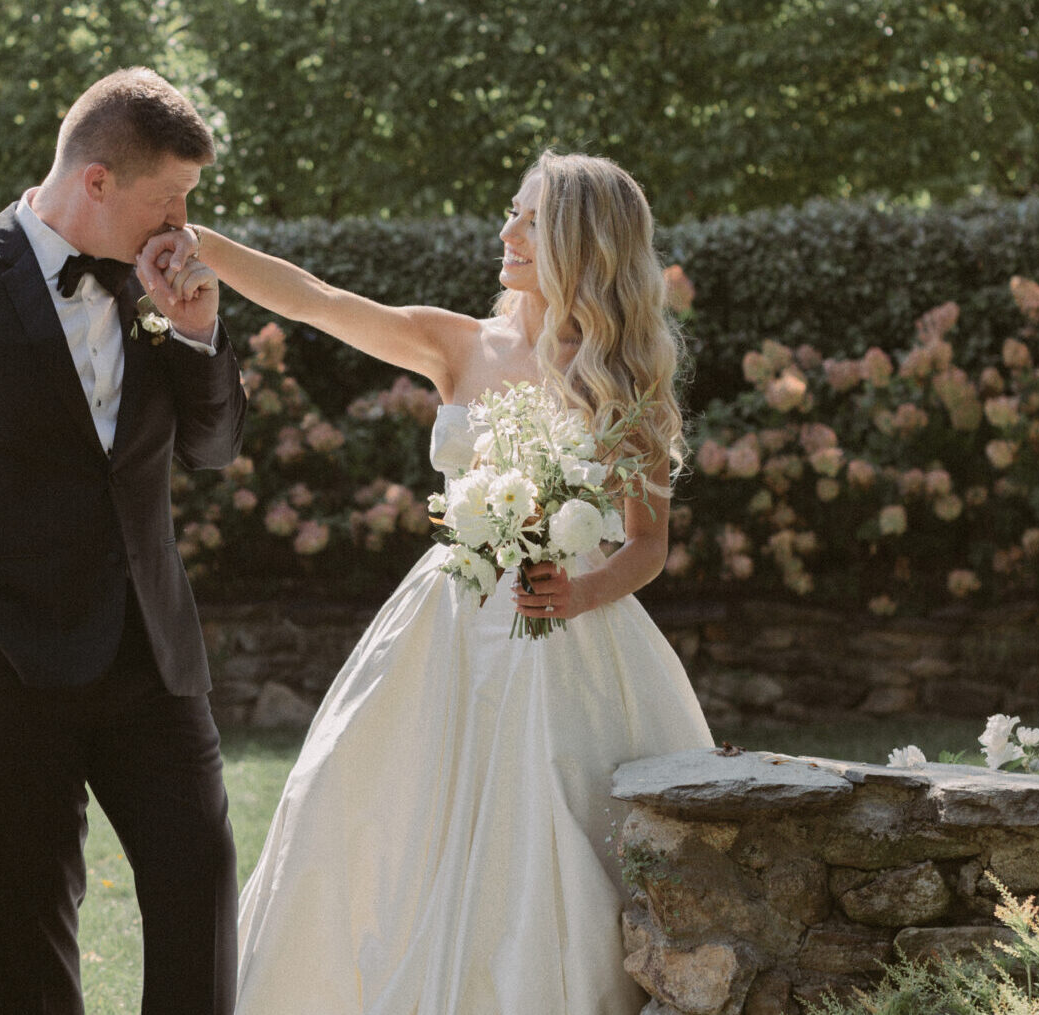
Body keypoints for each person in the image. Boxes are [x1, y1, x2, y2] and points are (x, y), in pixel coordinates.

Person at [139, 150, 715, 1013]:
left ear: (576, 242)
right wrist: (200, 243)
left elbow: (646, 544)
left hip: (569, 644)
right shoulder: (459, 344)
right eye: (511, 211)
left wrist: (579, 592)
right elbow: (319, 301)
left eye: (528, 218)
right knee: (358, 807)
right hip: (440, 629)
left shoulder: (618, 377)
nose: (507, 230)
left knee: (544, 844)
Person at [0, 67, 247, 1015]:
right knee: (35, 922)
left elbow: (213, 449)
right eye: (171, 197)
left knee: (199, 888)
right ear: (99, 182)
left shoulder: (163, 286)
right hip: (15, 661)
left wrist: (198, 335)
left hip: (152, 652)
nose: (183, 224)